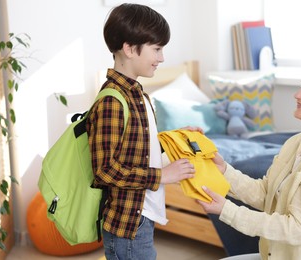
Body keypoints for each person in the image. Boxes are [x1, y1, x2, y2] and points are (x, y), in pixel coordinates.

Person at [198, 60, 301, 260]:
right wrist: (224, 170)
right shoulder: (297, 142)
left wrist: (226, 210)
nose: (298, 94)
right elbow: (266, 194)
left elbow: (296, 229)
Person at [86, 3, 200, 260]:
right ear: (129, 48)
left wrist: (176, 137)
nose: (162, 58)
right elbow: (105, 171)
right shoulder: (111, 101)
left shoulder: (138, 94)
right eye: (157, 49)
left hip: (141, 217)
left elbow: (138, 147)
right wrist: (161, 176)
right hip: (128, 226)